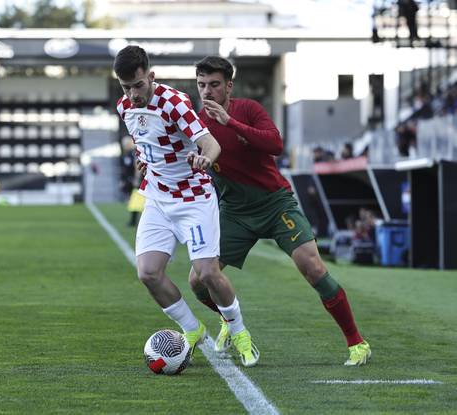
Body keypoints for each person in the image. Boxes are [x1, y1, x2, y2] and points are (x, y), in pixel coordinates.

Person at [188, 56, 371, 366]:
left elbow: (275, 144)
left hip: (275, 204)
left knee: (312, 267)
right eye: (202, 85)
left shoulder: (248, 110)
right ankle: (229, 319)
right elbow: (179, 155)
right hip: (234, 211)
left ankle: (357, 343)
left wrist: (230, 123)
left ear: (229, 87)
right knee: (197, 280)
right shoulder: (193, 123)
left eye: (214, 85)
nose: (207, 92)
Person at [114, 45, 259, 366]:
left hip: (193, 198)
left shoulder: (175, 102)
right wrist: (144, 158)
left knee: (208, 273)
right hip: (157, 198)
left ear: (150, 76)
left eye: (138, 85)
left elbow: (210, 142)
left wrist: (205, 157)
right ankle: (193, 330)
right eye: (126, 88)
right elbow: (146, 142)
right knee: (149, 273)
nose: (133, 94)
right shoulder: (124, 107)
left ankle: (239, 331)